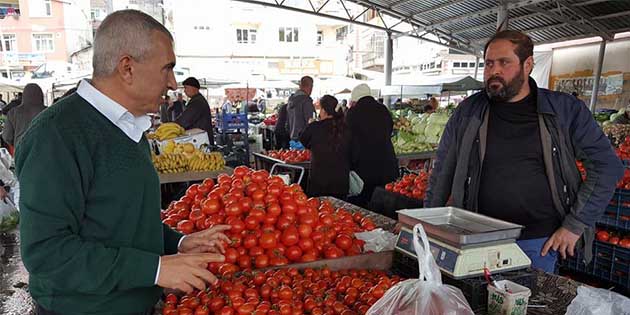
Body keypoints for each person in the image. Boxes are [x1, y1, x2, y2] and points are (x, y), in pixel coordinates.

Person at [15, 10, 229, 315]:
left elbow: (122, 223)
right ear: (127, 68)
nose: (173, 82)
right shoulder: (56, 136)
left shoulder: (128, 127)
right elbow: (47, 253)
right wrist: (155, 270)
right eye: (167, 68)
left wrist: (178, 244)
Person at [424, 30, 623, 273]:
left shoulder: (564, 110)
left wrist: (575, 224)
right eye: (488, 63)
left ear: (527, 64)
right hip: (476, 239)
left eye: (504, 62)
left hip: (537, 243)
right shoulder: (469, 111)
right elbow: (443, 170)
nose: (493, 71)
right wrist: (426, 224)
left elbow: (606, 167)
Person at [346, 83, 399, 207]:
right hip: (386, 164)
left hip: (364, 167)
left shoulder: (353, 113)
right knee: (383, 204)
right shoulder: (383, 109)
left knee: (363, 206)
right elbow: (390, 130)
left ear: (356, 99)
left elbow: (348, 138)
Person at [300, 95, 350, 199]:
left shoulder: (315, 127)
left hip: (319, 181)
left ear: (323, 110)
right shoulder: (346, 128)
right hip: (341, 182)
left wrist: (310, 125)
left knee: (318, 211)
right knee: (339, 211)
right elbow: (354, 153)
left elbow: (303, 139)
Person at [2, 83, 46, 148]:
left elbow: (7, 137)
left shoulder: (13, 113)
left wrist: (17, 143)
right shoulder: (49, 112)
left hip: (22, 151)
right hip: (44, 151)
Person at [175, 77, 214, 145]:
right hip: (201, 139)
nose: (184, 91)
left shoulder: (197, 102)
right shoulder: (197, 99)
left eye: (186, 87)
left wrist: (171, 126)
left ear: (194, 88)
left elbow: (185, 120)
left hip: (202, 141)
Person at [287, 76, 315, 150]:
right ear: (310, 86)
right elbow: (310, 122)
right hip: (304, 141)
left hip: (293, 140)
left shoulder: (291, 100)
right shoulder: (306, 101)